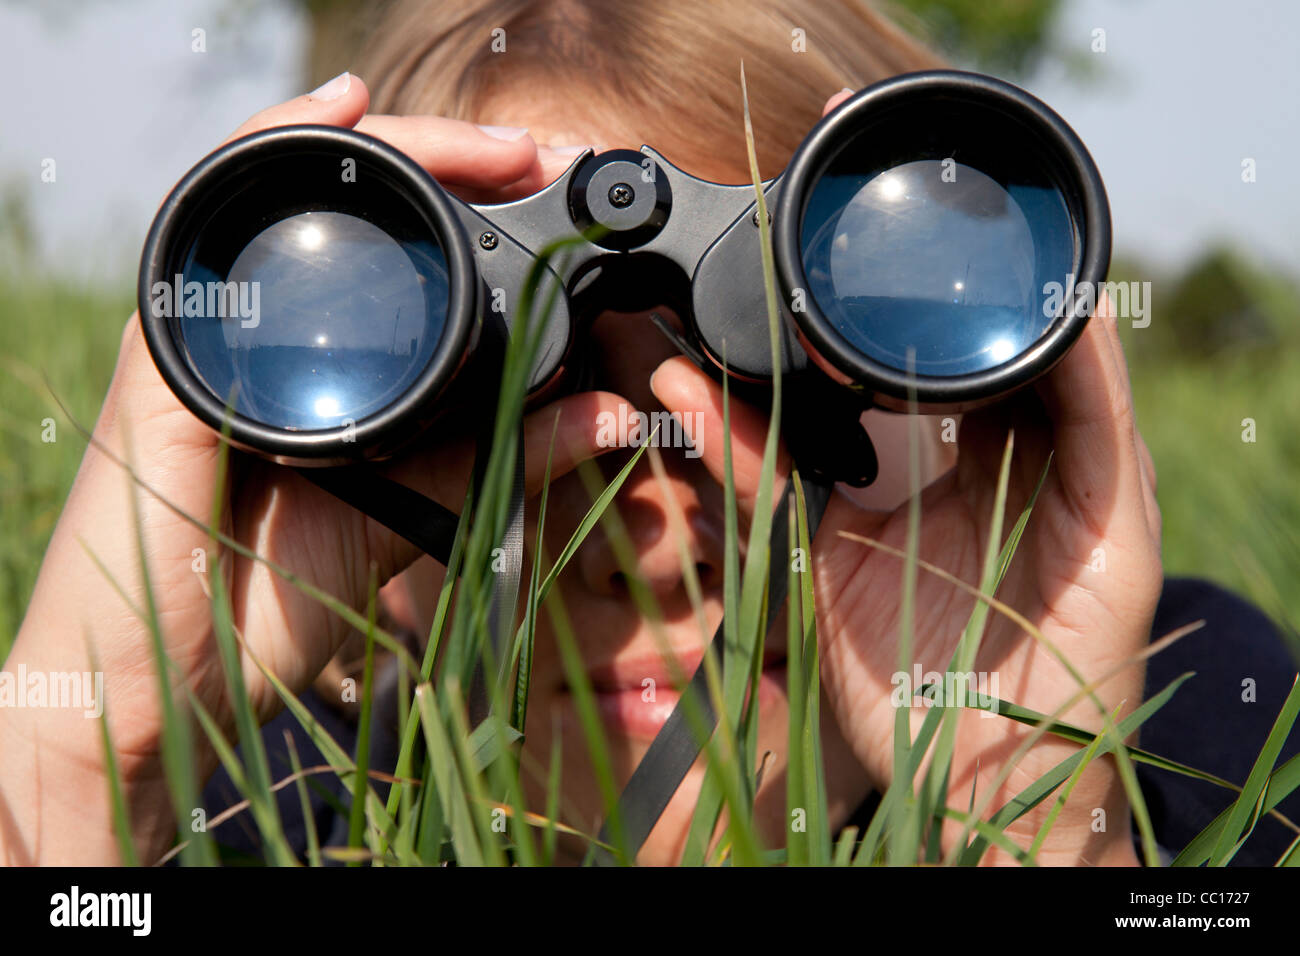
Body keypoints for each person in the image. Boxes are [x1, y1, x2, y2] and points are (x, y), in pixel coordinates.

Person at [2, 0, 1296, 867]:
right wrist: (86, 772)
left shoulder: (1199, 740)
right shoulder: (275, 808)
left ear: (977, 398)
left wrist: (1035, 809)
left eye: (788, 384)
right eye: (508, 404)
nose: (652, 541)